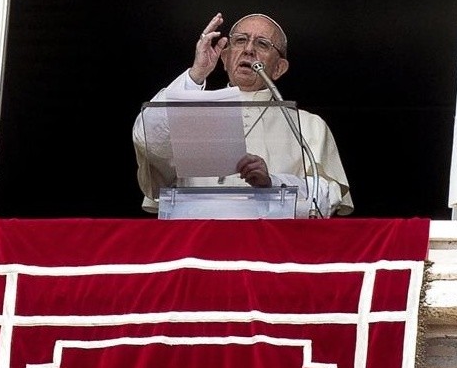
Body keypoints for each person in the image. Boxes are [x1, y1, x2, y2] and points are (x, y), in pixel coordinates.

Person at [132, 12, 354, 218]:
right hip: (197, 242)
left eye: (262, 44)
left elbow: (327, 197)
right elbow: (147, 140)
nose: (249, 50)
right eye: (240, 40)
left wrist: (272, 183)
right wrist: (196, 73)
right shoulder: (192, 111)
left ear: (279, 68)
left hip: (271, 249)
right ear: (225, 58)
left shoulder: (307, 125)